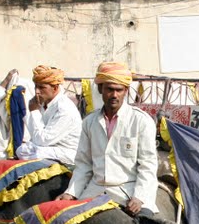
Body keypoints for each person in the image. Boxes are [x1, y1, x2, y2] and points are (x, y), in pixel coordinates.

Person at [58, 61, 158, 215]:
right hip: (95, 190)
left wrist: (140, 197)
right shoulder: (89, 122)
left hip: (128, 191)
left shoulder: (141, 121)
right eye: (109, 90)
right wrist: (71, 193)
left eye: (119, 90)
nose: (114, 95)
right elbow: (83, 164)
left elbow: (148, 165)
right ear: (100, 89)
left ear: (126, 91)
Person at [15, 65, 81, 166]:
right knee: (22, 150)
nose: (37, 91)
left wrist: (34, 111)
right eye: (36, 87)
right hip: (48, 147)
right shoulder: (44, 103)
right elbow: (36, 135)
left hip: (66, 152)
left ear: (55, 88)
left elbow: (42, 140)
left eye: (41, 87)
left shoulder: (64, 108)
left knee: (31, 151)